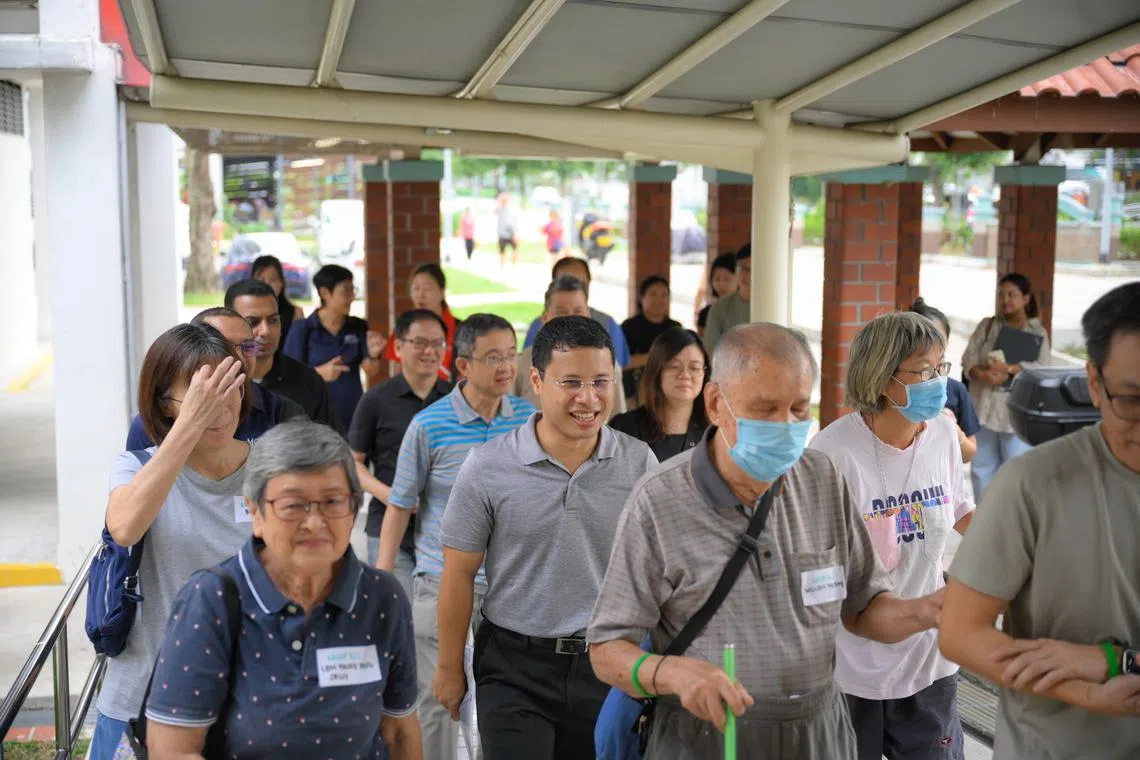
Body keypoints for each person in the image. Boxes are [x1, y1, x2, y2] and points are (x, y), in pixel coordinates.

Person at [588, 323, 945, 760]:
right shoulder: (659, 500)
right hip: (708, 735)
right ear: (716, 404)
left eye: (798, 408)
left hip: (819, 733)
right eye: (765, 409)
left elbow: (865, 607)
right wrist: (671, 674)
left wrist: (926, 611)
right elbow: (607, 650)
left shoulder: (822, 478)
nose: (785, 425)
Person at [436, 315, 657, 760]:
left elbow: (661, 570)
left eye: (600, 382)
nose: (588, 398)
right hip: (513, 666)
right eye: (571, 382)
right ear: (536, 381)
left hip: (609, 663)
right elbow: (458, 574)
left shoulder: (639, 463)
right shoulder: (488, 466)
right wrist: (449, 668)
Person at [939, 282, 1140, 759]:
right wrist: (1082, 691)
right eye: (1132, 400)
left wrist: (1114, 661)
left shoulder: (1034, 335)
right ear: (1095, 384)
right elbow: (961, 632)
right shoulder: (1032, 485)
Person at [143, 420, 422, 760]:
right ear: (255, 512)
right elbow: (172, 750)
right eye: (293, 505)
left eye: (333, 501)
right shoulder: (211, 599)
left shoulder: (382, 598)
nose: (315, 522)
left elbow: (399, 733)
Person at [808, 311, 975, 760]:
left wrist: (1015, 560)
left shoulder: (943, 433)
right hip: (850, 669)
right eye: (923, 371)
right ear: (882, 378)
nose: (938, 382)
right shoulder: (831, 454)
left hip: (929, 660)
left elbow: (961, 509)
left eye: (942, 367)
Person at [88, 324, 253, 760]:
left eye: (229, 388)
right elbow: (125, 527)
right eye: (202, 393)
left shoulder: (271, 470)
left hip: (247, 696)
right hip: (143, 694)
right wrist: (190, 425)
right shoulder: (136, 466)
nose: (220, 406)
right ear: (165, 403)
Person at [378, 314, 536, 760]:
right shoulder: (428, 425)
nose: (506, 367)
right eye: (493, 357)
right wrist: (382, 576)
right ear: (463, 366)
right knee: (438, 699)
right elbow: (400, 505)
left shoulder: (530, 421)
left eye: (511, 356)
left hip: (510, 586)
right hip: (439, 579)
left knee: (503, 700)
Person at [349, 309, 452, 598]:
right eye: (420, 343)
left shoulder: (457, 399)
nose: (429, 351)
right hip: (387, 527)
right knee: (395, 612)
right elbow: (353, 463)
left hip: (443, 533)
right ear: (398, 347)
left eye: (438, 343)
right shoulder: (375, 400)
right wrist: (391, 495)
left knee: (438, 621)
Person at [124, 308, 303, 449]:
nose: (239, 358)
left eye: (248, 346)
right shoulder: (151, 424)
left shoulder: (283, 412)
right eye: (224, 347)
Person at [961, 273, 1051, 497]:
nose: (1005, 300)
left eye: (1012, 295)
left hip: (1013, 414)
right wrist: (983, 374)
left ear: (1026, 299)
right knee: (981, 469)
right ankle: (986, 515)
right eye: (1001, 294)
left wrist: (1010, 368)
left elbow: (1042, 368)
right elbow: (968, 360)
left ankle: (1010, 516)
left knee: (1015, 470)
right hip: (983, 410)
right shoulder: (987, 326)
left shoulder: (1036, 333)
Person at [224, 279, 340, 431]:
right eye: (252, 322)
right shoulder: (215, 382)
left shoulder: (308, 381)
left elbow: (327, 440)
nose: (265, 331)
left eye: (273, 320)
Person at [283, 264, 381, 431]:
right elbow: (289, 375)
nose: (351, 297)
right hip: (314, 418)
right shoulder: (303, 329)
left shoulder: (358, 326)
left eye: (353, 290)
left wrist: (374, 355)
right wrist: (320, 373)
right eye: (345, 291)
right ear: (324, 293)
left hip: (352, 417)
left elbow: (370, 370)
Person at [514, 276, 626, 418]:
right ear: (545, 318)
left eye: (578, 312)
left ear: (588, 315)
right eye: (561, 313)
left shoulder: (607, 363)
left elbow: (618, 418)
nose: (571, 320)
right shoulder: (520, 363)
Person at [609, 326, 709, 461]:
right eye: (674, 366)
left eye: (694, 368)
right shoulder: (624, 429)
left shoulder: (715, 433)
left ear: (705, 373)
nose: (685, 375)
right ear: (656, 371)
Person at [522, 256, 632, 368]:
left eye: (580, 284)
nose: (571, 319)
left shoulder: (608, 324)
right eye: (564, 281)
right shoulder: (537, 327)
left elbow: (617, 369)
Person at [909, 298, 979, 463]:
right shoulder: (901, 389)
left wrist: (953, 430)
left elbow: (969, 454)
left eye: (939, 340)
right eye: (927, 339)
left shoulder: (956, 390)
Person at [380, 262, 459, 382]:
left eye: (428, 289)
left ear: (442, 292)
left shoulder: (460, 329)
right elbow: (396, 374)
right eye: (416, 288)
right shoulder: (404, 328)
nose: (421, 295)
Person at [621, 275, 681, 404]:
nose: (659, 300)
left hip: (669, 391)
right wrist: (654, 357)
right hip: (635, 392)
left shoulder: (675, 328)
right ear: (642, 297)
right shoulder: (629, 327)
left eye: (664, 295)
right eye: (653, 294)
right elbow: (620, 363)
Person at [703, 244, 752, 352]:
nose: (747, 275)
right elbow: (711, 349)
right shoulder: (720, 307)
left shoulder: (772, 306)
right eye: (743, 268)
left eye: (752, 269)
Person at [250, 254, 304, 344]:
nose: (267, 285)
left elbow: (298, 346)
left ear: (281, 283)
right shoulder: (242, 312)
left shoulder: (296, 313)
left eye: (273, 279)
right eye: (261, 280)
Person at [695, 252, 737, 336]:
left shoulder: (745, 308)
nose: (721, 284)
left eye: (727, 279)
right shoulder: (706, 313)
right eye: (717, 279)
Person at [496, 193, 517, 268]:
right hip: (503, 234)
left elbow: (512, 222)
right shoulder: (500, 208)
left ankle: (513, 266)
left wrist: (514, 233)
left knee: (514, 250)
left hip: (509, 234)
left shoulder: (510, 209)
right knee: (503, 252)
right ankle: (503, 267)